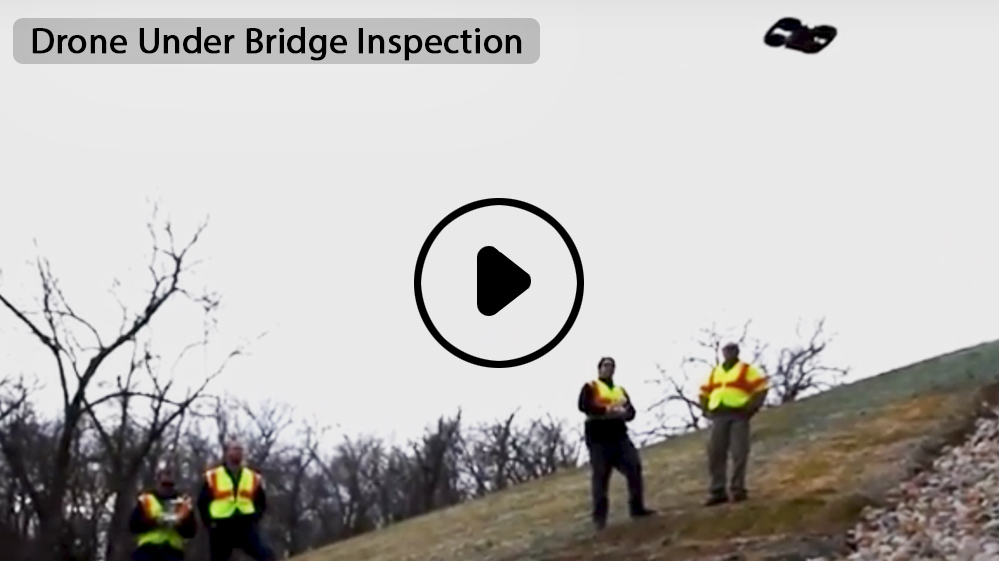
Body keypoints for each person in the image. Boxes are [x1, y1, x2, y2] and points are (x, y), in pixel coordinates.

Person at [577, 356, 655, 530]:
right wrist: (607, 410)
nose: (609, 369)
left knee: (634, 467)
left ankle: (637, 508)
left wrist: (624, 414)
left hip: (619, 436)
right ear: (599, 369)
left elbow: (631, 412)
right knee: (601, 478)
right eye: (605, 366)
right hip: (598, 439)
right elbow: (583, 406)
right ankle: (599, 519)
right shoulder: (590, 386)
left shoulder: (620, 390)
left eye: (612, 366)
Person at [698, 342, 770, 506]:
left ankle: (738, 489)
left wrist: (751, 408)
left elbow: (761, 388)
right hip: (718, 415)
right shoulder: (716, 371)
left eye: (732, 350)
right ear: (723, 353)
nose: (729, 353)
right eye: (726, 350)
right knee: (715, 453)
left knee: (739, 452)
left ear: (737, 352)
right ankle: (718, 491)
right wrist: (705, 409)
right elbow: (703, 391)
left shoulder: (747, 369)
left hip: (738, 414)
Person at [196, 437, 274, 561]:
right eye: (235, 449)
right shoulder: (213, 476)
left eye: (241, 449)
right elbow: (202, 502)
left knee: (265, 555)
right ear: (227, 452)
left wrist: (255, 517)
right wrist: (210, 523)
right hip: (221, 525)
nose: (239, 452)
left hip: (245, 524)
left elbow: (261, 501)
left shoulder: (252, 476)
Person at [129, 464, 196, 561]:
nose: (167, 488)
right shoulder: (146, 500)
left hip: (173, 552)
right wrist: (155, 522)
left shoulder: (182, 503)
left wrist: (180, 523)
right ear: (157, 483)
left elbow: (191, 531)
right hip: (148, 551)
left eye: (170, 485)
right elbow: (134, 525)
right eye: (164, 484)